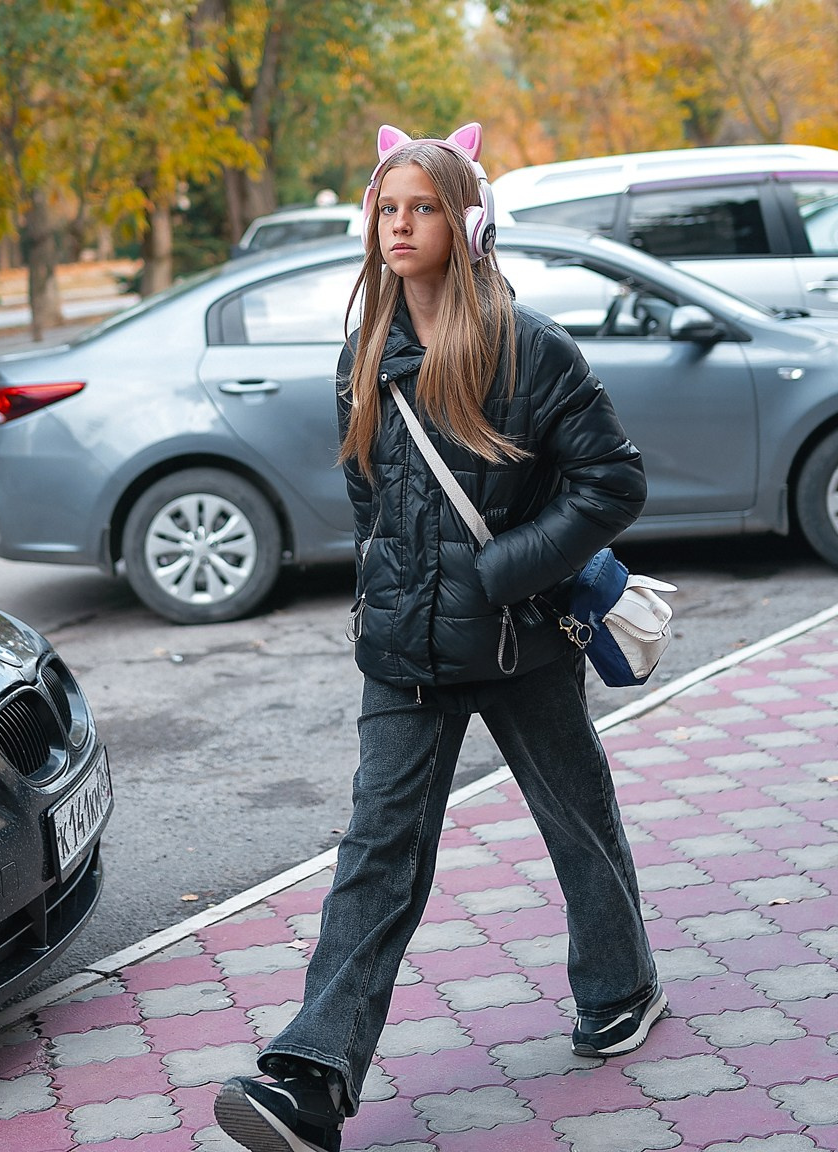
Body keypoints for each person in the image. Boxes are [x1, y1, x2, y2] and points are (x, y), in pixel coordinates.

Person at [214, 123, 658, 1152]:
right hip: (404, 655)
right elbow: (368, 495)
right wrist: (379, 590)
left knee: (574, 819)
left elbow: (612, 481)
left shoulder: (524, 345)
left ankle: (618, 986)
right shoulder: (363, 351)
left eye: (419, 208)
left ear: (464, 225)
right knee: (376, 851)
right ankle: (312, 1081)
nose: (397, 225)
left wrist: (504, 571)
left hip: (517, 645)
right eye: (384, 207)